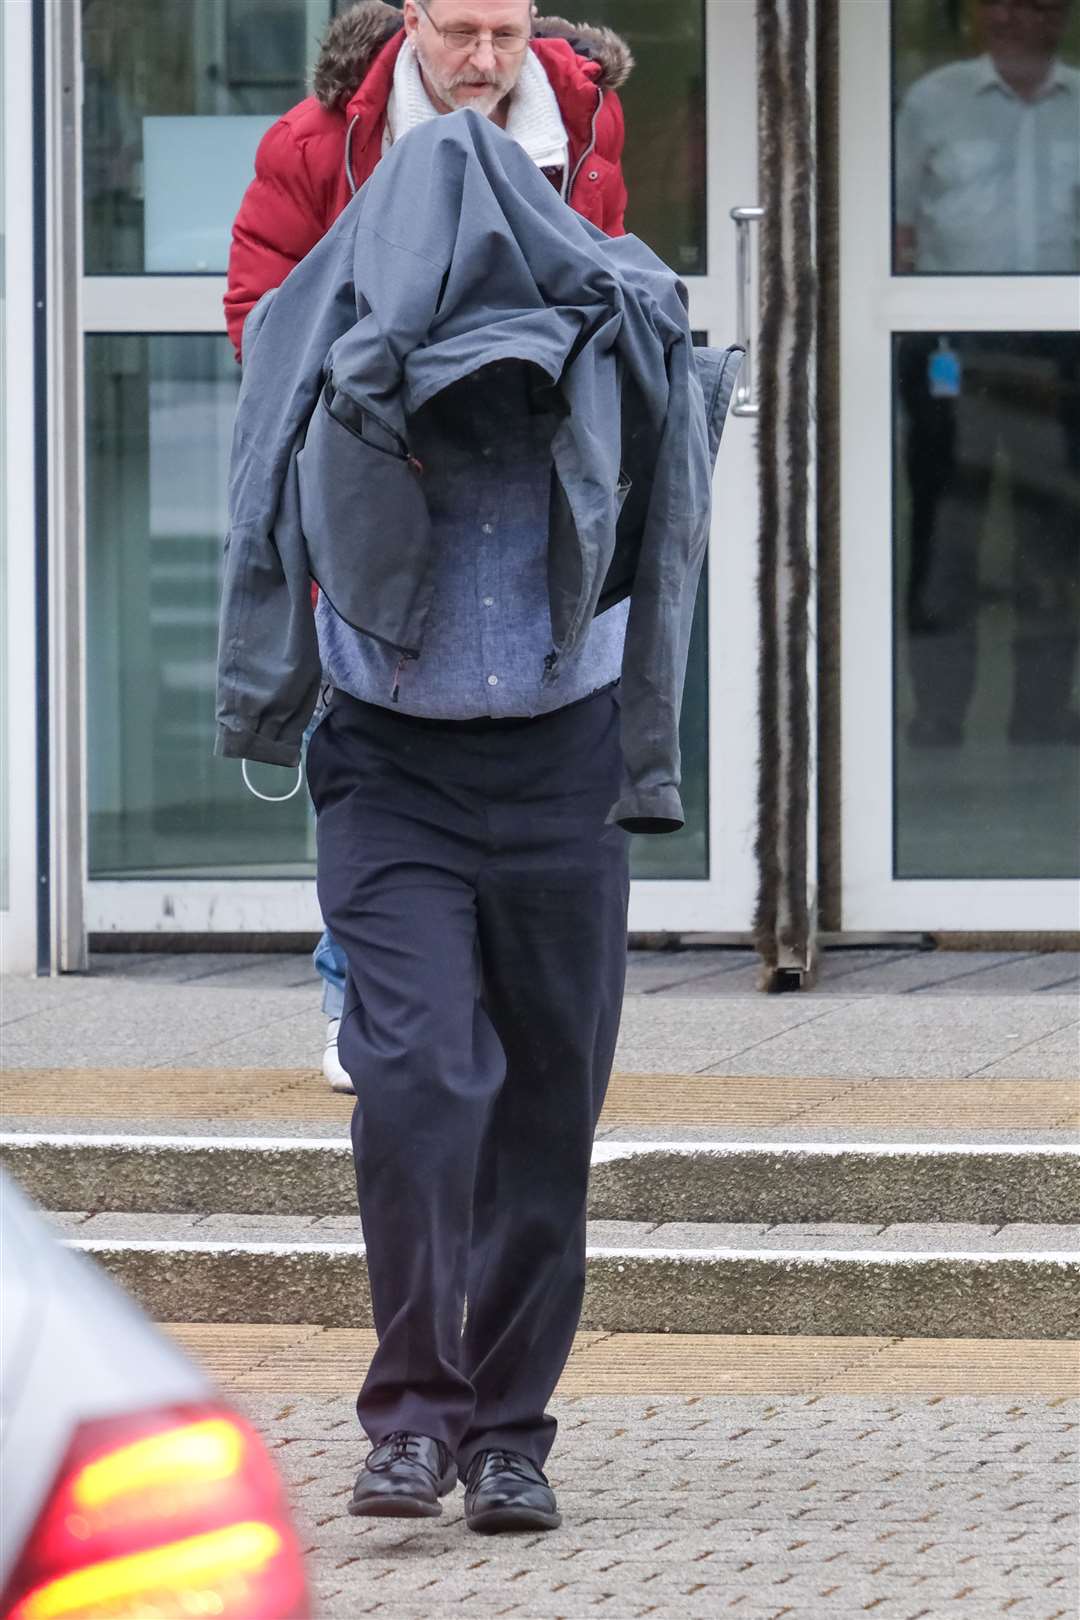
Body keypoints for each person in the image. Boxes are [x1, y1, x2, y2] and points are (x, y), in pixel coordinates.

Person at [216, 101, 740, 1534]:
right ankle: (411, 1416)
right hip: (391, 771)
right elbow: (267, 462)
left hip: (561, 769)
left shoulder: (606, 319)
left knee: (547, 1114)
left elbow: (676, 460)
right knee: (421, 1082)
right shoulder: (345, 333)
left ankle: (510, 1436)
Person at [225, 0, 632, 1089]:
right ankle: (353, 987)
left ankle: (451, 1006)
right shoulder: (321, 140)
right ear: (410, 20)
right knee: (372, 728)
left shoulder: (583, 114)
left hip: (519, 489)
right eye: (459, 32)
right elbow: (265, 312)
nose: (485, 60)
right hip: (378, 480)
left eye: (504, 32)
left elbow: (594, 288)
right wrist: (362, 428)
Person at [893, 0, 1080, 747]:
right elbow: (897, 231)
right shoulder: (934, 101)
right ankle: (938, 714)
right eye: (997, 3)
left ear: (1061, 16)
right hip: (950, 345)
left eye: (1032, 3)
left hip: (1064, 349)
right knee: (945, 529)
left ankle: (1040, 715)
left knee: (1053, 533)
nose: (1012, 17)